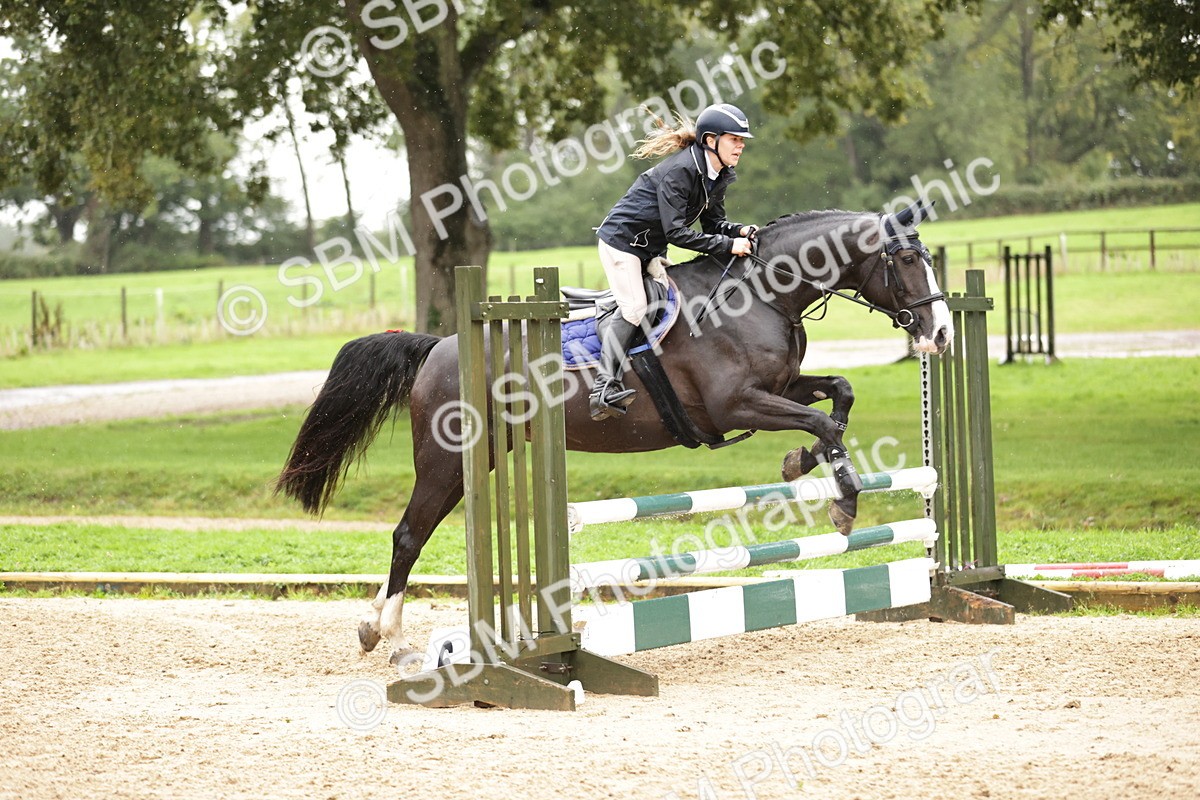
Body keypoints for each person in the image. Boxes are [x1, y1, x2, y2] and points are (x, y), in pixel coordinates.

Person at [590, 102, 759, 421]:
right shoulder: (680, 171)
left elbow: (713, 225)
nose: (741, 145)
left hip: (650, 249)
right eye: (735, 139)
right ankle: (602, 388)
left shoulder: (719, 173)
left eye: (742, 140)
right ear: (711, 140)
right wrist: (728, 245)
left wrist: (738, 230)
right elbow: (678, 233)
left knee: (672, 299)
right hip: (622, 245)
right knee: (635, 308)